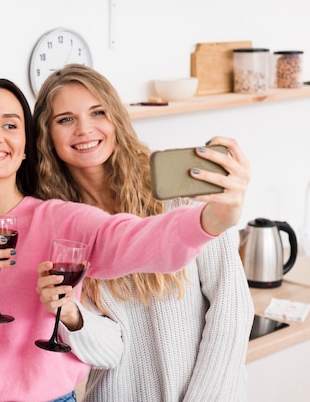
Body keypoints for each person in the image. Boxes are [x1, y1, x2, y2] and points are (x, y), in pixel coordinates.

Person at [0, 76, 249, 402]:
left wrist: (214, 219)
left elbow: (140, 239)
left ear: (26, 145)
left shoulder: (61, 219)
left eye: (10, 125)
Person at [34, 64, 254, 401]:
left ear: (117, 119)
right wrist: (74, 317)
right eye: (65, 119)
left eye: (98, 112)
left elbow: (232, 308)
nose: (84, 129)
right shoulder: (60, 227)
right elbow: (110, 353)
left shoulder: (179, 192)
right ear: (47, 135)